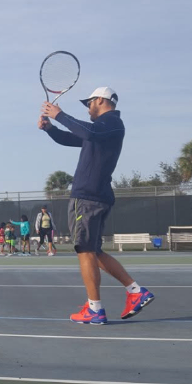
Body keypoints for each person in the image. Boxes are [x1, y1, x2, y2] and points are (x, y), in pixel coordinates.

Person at [39, 84, 154, 322]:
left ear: (100, 100)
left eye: (89, 103)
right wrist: (50, 128)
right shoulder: (102, 129)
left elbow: (87, 132)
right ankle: (135, 291)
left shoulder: (110, 123)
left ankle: (95, 309)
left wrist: (58, 114)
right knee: (93, 251)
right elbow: (73, 138)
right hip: (95, 195)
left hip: (88, 197)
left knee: (85, 250)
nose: (88, 108)